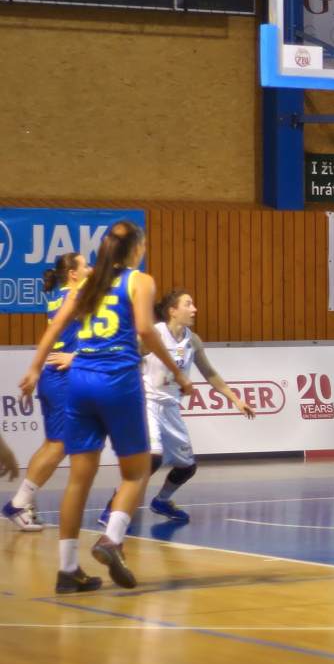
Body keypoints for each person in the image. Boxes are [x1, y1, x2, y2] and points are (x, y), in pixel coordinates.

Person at [19, 221, 193, 594]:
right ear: (137, 248)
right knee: (136, 471)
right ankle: (111, 539)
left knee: (78, 479)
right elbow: (145, 330)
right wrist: (177, 371)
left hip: (79, 381)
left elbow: (55, 326)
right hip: (117, 381)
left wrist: (34, 368)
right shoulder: (139, 280)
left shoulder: (86, 283)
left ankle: (68, 570)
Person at [97, 289, 255, 527]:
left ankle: (161, 501)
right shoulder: (153, 334)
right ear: (172, 311)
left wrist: (236, 399)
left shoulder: (192, 340)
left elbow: (209, 373)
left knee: (187, 467)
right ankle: (113, 507)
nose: (194, 309)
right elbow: (122, 356)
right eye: (188, 304)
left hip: (171, 407)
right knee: (152, 458)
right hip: (147, 403)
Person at [4, 253, 90, 530]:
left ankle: (25, 503)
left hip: (54, 375)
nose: (90, 268)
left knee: (51, 444)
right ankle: (18, 503)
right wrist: (76, 356)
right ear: (73, 274)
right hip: (62, 375)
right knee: (61, 445)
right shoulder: (75, 296)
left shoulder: (60, 296)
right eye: (85, 265)